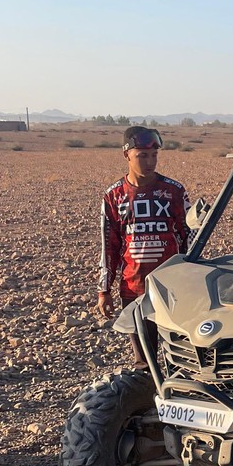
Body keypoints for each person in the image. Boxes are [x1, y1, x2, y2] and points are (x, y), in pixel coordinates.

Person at [98, 126, 191, 324]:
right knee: (141, 355)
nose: (150, 162)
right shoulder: (114, 196)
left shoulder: (174, 191)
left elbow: (189, 239)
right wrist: (104, 290)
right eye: (142, 156)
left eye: (154, 155)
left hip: (171, 288)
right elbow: (109, 247)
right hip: (133, 289)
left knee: (175, 352)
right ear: (127, 155)